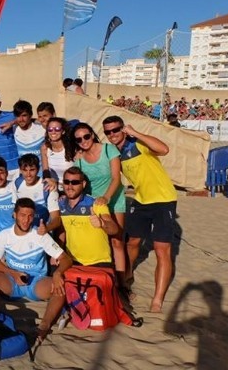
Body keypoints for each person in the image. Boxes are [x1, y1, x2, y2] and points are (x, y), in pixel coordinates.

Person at [102, 115, 178, 313]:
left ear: (123, 128)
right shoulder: (113, 153)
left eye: (115, 130)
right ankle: (126, 278)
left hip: (163, 199)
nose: (112, 135)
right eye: (108, 132)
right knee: (133, 242)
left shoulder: (138, 143)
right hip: (140, 200)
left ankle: (157, 300)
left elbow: (164, 149)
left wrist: (135, 132)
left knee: (162, 250)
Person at [0, 198, 72, 343]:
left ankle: (44, 325)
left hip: (36, 281)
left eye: (30, 216)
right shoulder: (4, 235)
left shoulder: (40, 236)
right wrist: (12, 273)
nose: (26, 220)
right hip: (12, 280)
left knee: (60, 286)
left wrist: (58, 273)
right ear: (14, 215)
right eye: (22, 215)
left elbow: (66, 259)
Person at [70, 122, 127, 288]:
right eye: (79, 139)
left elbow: (116, 178)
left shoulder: (109, 150)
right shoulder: (79, 160)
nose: (84, 141)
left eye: (86, 136)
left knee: (117, 241)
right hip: (93, 204)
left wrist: (106, 198)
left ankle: (122, 284)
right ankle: (105, 278)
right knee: (100, 241)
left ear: (92, 134)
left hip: (113, 199)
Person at [57, 167, 119, 267]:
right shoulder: (60, 205)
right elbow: (62, 232)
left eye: (75, 182)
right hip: (72, 261)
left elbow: (114, 229)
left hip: (99, 262)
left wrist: (102, 223)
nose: (70, 186)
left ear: (83, 184)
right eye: (66, 182)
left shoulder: (97, 204)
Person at [14, 154, 61, 234]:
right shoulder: (18, 183)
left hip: (42, 232)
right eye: (25, 170)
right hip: (24, 231)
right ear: (20, 170)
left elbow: (57, 219)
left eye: (32, 170)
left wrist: (46, 228)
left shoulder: (48, 187)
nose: (28, 174)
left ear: (38, 169)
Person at [40, 117, 75, 189]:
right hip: (54, 186)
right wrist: (49, 180)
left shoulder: (72, 147)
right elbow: (45, 170)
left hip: (71, 186)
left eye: (57, 129)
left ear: (63, 131)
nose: (53, 132)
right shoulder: (45, 148)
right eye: (50, 129)